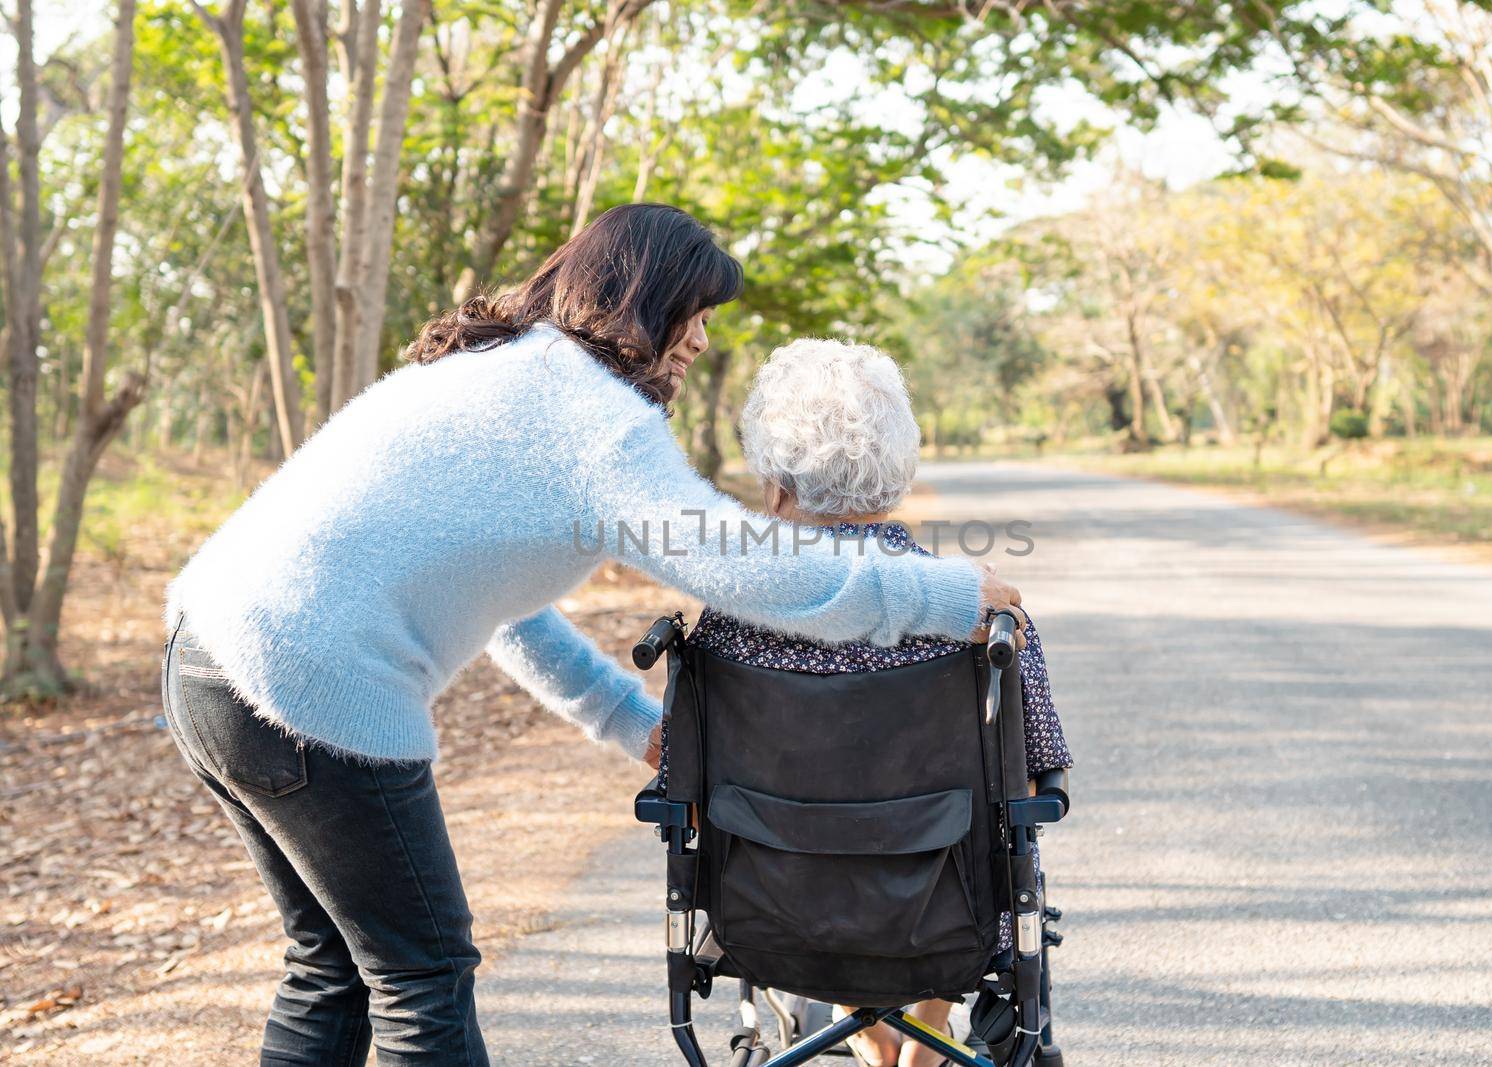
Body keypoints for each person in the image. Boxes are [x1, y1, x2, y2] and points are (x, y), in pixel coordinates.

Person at [160, 204, 1027, 1065]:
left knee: (335, 966)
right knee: (419, 972)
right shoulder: (593, 423)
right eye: (693, 312)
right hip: (312, 681)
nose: (699, 340)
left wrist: (630, 721)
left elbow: (509, 609)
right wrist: (950, 597)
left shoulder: (506, 368)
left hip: (207, 658)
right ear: (641, 298)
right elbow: (757, 570)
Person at [674, 338, 1072, 1067]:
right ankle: (922, 1027)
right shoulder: (979, 612)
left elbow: (687, 786)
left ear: (774, 484)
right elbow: (1036, 777)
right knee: (977, 830)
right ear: (898, 475)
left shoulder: (726, 621)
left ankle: (867, 1018)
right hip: (945, 921)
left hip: (770, 914)